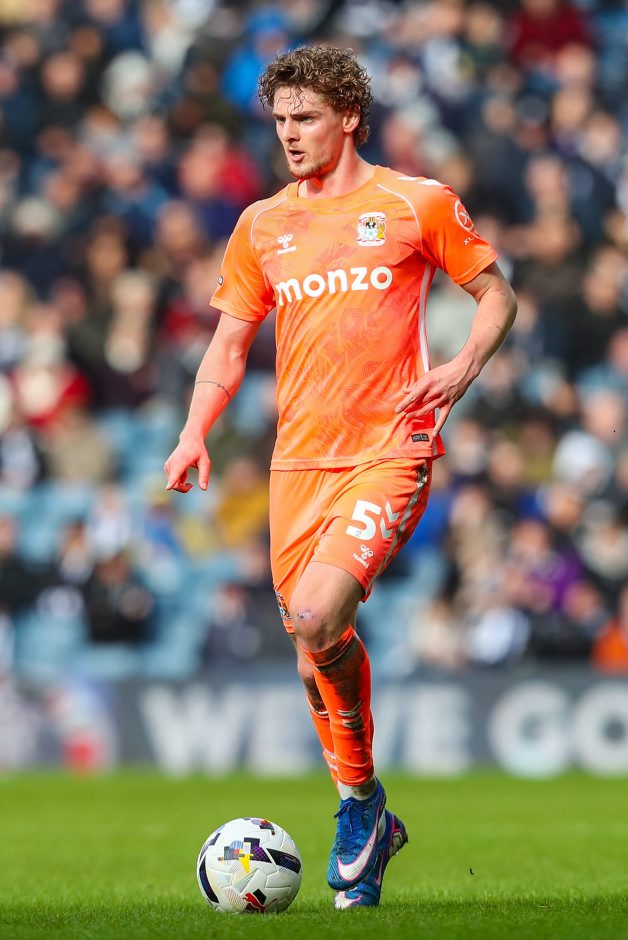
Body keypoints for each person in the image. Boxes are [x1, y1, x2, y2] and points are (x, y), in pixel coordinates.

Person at [164, 45, 517, 909]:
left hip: (391, 448)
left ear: (349, 116)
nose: (290, 134)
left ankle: (358, 807)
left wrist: (463, 366)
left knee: (319, 615)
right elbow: (228, 345)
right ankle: (367, 806)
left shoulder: (414, 202)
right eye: (281, 120)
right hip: (297, 464)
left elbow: (497, 295)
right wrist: (193, 432)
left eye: (306, 118)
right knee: (309, 648)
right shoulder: (262, 225)